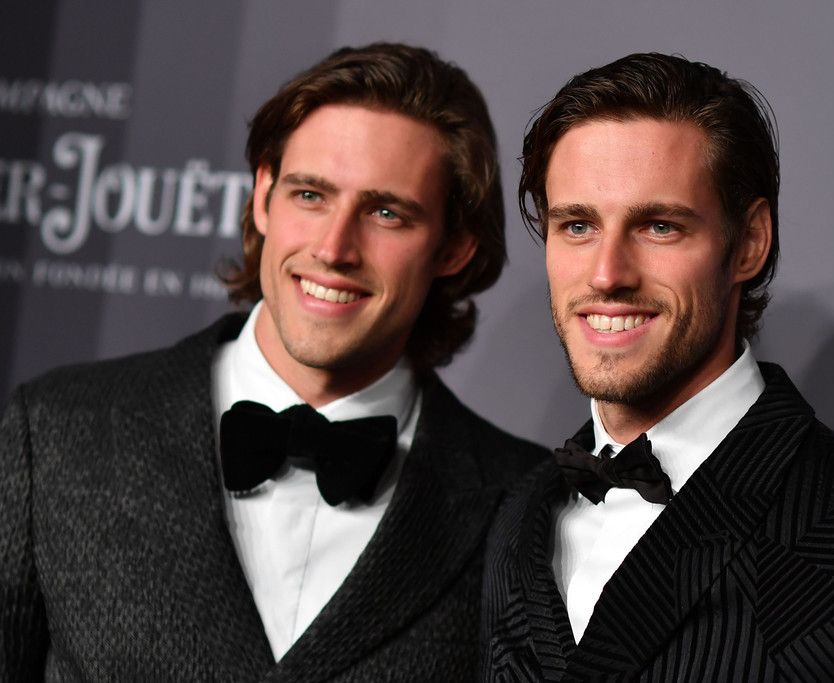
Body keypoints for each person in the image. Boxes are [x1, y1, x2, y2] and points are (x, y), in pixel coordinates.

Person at [0, 43, 546, 681]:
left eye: (386, 213)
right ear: (263, 195)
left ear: (454, 247)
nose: (334, 248)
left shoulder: (526, 508)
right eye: (310, 195)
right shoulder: (56, 432)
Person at [482, 52, 834, 680]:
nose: (607, 275)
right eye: (577, 226)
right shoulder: (519, 521)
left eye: (659, 226)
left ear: (749, 243)